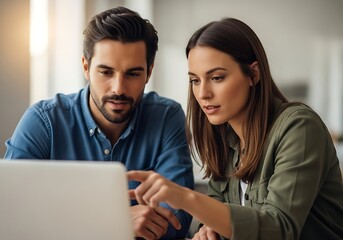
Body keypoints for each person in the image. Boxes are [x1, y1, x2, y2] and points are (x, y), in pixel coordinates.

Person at [127, 18, 343, 240]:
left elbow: (280, 229)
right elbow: (213, 205)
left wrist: (185, 198)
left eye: (217, 77)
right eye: (195, 80)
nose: (203, 94)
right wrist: (206, 230)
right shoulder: (226, 138)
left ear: (254, 74)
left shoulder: (299, 128)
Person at [4, 6, 194, 240]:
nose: (118, 88)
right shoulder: (43, 122)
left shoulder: (167, 117)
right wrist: (119, 222)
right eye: (106, 72)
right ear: (86, 67)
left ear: (149, 71)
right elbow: (11, 212)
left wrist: (67, 222)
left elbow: (178, 221)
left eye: (133, 74)